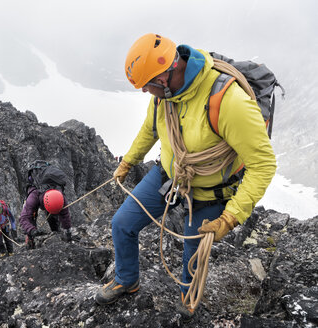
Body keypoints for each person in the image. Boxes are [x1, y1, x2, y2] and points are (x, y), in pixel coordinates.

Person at [94, 33, 276, 317]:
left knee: (193, 250)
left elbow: (263, 163)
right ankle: (126, 279)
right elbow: (150, 128)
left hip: (211, 191)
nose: (145, 92)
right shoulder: (164, 96)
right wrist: (128, 162)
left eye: (146, 86)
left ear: (163, 77)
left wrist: (230, 217)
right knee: (122, 224)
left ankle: (188, 298)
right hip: (170, 175)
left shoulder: (227, 101)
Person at [19, 173, 73, 249]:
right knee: (31, 220)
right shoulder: (33, 197)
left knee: (53, 220)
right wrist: (32, 230)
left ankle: (56, 232)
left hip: (49, 199)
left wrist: (68, 232)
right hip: (37, 193)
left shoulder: (61, 198)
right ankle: (30, 243)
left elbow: (65, 215)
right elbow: (23, 218)